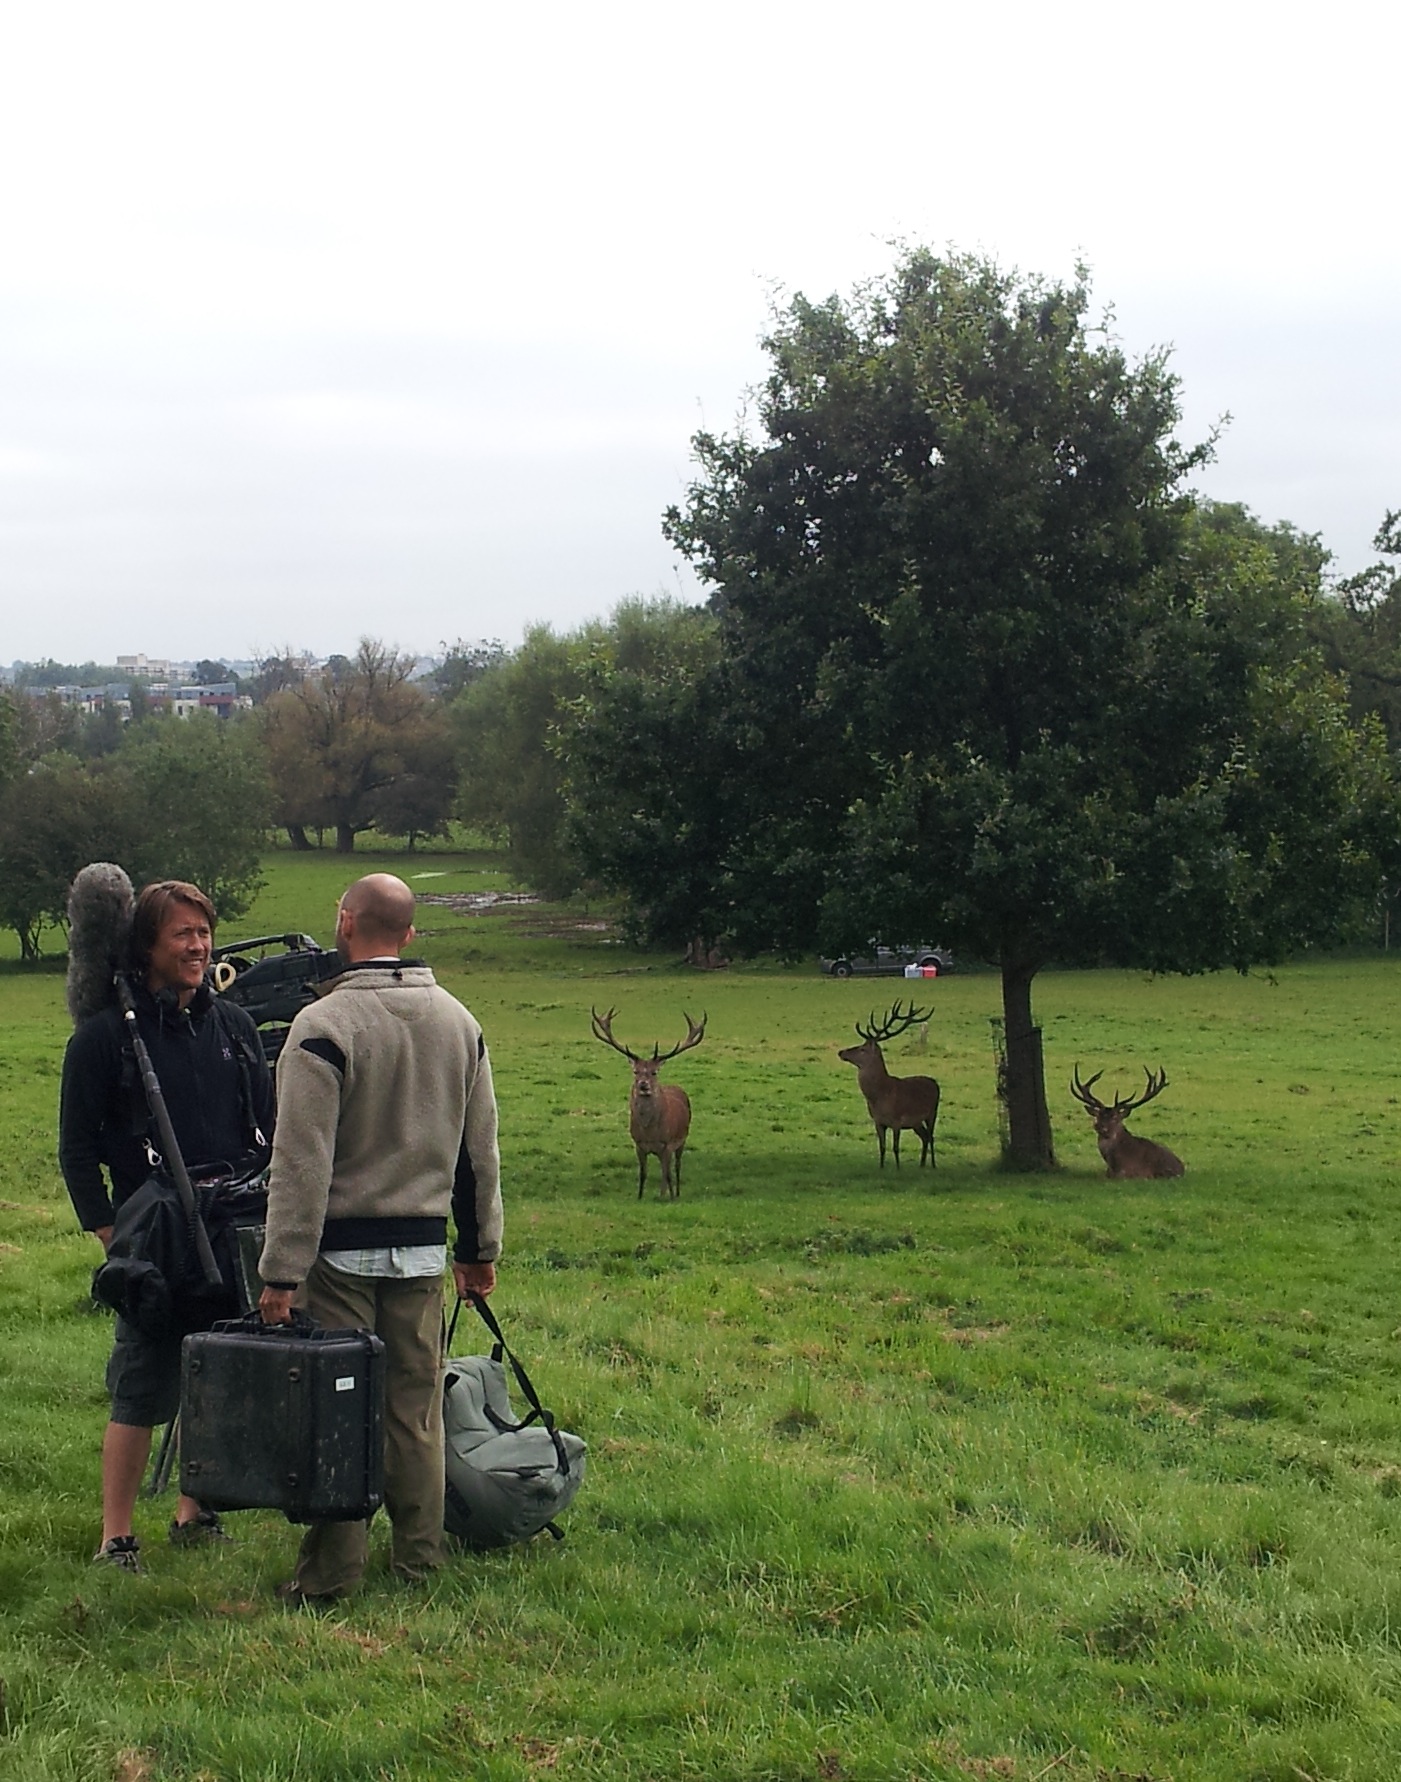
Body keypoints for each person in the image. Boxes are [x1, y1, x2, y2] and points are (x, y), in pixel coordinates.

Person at [258, 872, 502, 1604]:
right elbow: (478, 1155)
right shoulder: (460, 1022)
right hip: (423, 1252)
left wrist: (280, 1272)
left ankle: (331, 1575)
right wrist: (478, 1252)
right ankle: (421, 1562)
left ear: (344, 922)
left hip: (338, 1256)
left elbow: (300, 1165)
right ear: (410, 933)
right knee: (414, 1413)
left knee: (340, 1409)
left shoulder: (322, 1025)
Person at [59, 878, 275, 1571]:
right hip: (151, 1237)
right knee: (139, 1386)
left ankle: (195, 1511)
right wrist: (108, 1231)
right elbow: (76, 1147)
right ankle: (116, 1537)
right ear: (145, 944)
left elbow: (267, 1127)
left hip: (229, 1227)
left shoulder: (234, 1028)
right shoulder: (104, 1039)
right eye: (182, 933)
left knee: (220, 1375)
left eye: (204, 932)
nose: (198, 945)